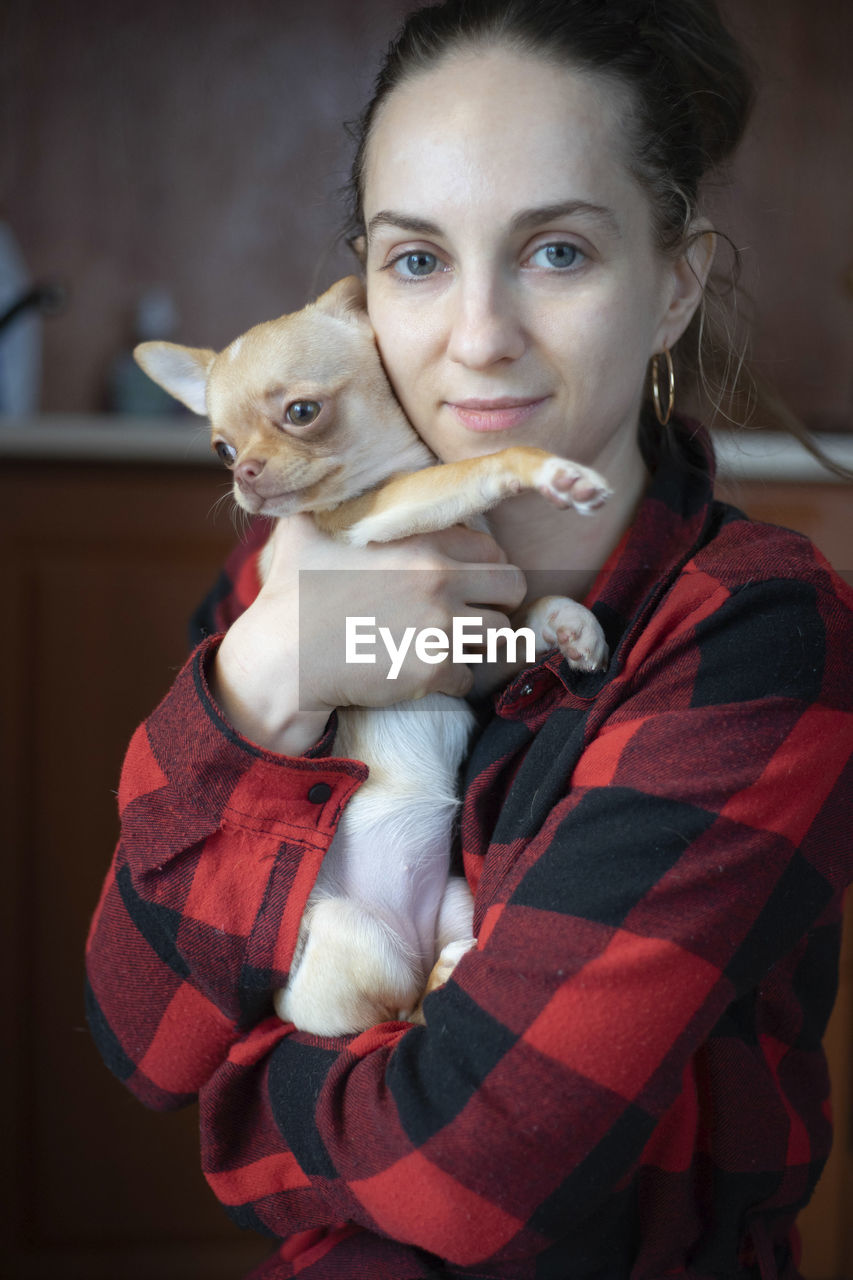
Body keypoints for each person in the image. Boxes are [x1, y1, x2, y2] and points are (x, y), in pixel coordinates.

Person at [85, 2, 853, 1276]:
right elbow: (138, 1031)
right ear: (361, 285)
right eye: (420, 260)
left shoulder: (755, 639)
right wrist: (268, 673)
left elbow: (469, 1178)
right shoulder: (279, 577)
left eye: (556, 253)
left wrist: (240, 1120)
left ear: (673, 285)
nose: (479, 336)